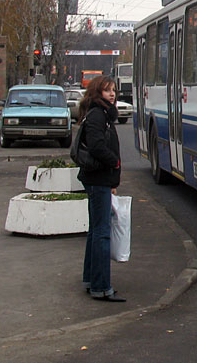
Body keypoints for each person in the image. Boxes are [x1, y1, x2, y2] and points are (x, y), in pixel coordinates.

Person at [77, 76, 125, 302]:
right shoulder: (98, 115)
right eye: (107, 91)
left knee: (96, 231)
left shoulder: (100, 113)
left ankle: (91, 280)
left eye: (114, 90)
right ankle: (101, 286)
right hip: (99, 179)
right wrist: (114, 162)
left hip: (99, 178)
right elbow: (96, 146)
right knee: (102, 233)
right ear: (98, 93)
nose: (112, 94)